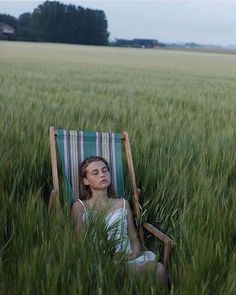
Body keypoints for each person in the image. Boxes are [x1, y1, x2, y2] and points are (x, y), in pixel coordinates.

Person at [71, 156, 168, 285]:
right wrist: (109, 256)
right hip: (100, 259)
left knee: (160, 269)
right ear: (86, 181)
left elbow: (133, 237)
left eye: (105, 170)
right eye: (95, 173)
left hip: (128, 256)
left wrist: (135, 254)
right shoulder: (80, 206)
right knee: (133, 271)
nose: (102, 175)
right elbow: (80, 242)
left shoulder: (122, 203)